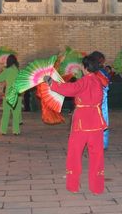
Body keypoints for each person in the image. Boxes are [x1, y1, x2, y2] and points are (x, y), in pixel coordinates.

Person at [46, 54, 108, 194]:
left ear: (85, 68)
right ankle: (97, 188)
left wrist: (51, 82)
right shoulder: (99, 81)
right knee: (97, 156)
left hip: (81, 123)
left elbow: (68, 89)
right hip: (96, 122)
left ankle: (73, 186)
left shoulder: (84, 81)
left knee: (74, 155)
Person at [90, 51, 111, 149]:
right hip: (101, 100)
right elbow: (107, 85)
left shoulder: (89, 72)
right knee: (102, 120)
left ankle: (94, 142)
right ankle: (102, 143)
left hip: (91, 100)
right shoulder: (102, 72)